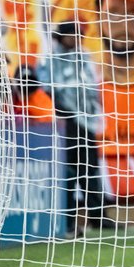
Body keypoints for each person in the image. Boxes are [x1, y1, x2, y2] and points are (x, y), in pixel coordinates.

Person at [36, 21, 106, 235]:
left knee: (90, 170)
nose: (77, 39)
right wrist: (65, 113)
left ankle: (99, 217)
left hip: (87, 122)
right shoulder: (49, 59)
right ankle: (66, 220)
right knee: (67, 171)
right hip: (65, 123)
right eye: (73, 35)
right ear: (62, 36)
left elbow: (93, 87)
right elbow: (45, 89)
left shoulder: (84, 56)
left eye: (80, 36)